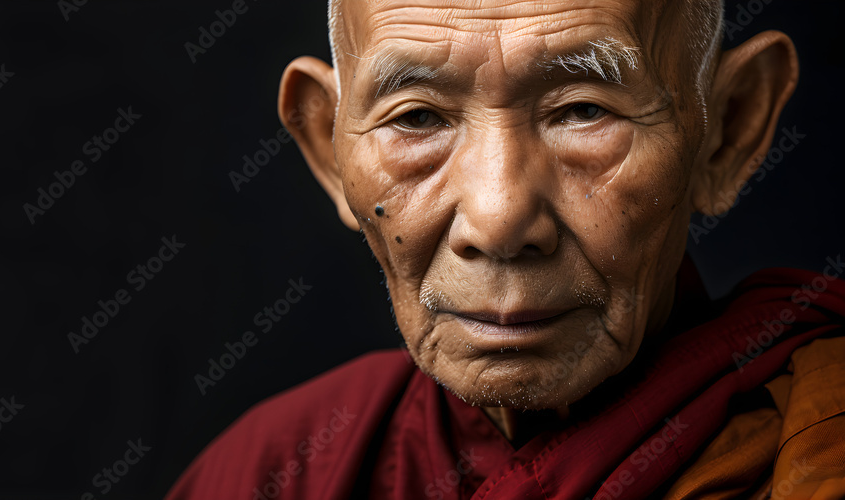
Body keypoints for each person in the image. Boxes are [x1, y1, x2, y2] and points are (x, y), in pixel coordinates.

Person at [169, 0, 845, 498]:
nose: (497, 221)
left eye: (584, 111)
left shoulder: (814, 444)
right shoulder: (274, 472)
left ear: (726, 130)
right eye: (417, 118)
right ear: (328, 147)